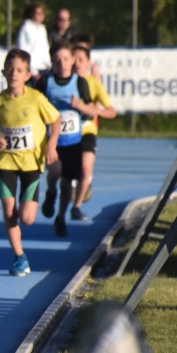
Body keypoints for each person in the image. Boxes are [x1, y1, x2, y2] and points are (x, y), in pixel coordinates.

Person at [0, 48, 60, 276]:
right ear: (3, 72)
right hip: (6, 162)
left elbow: (55, 120)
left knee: (26, 218)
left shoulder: (35, 98)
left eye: (19, 70)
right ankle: (19, 257)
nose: (14, 73)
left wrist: (52, 146)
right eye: (10, 69)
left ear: (27, 75)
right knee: (9, 211)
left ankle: (47, 195)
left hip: (31, 164)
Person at [35, 40, 115, 234]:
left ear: (72, 61)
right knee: (54, 173)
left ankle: (61, 217)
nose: (62, 63)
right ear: (53, 61)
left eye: (66, 59)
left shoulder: (80, 83)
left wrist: (79, 107)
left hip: (73, 141)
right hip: (53, 140)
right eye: (58, 59)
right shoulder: (46, 83)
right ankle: (51, 192)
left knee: (67, 181)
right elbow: (34, 106)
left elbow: (90, 110)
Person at [71, 37, 114, 208]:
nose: (77, 63)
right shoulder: (62, 80)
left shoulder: (93, 82)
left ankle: (78, 200)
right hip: (67, 132)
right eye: (74, 58)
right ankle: (71, 187)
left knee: (85, 167)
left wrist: (92, 110)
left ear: (88, 62)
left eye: (81, 59)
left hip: (88, 128)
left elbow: (109, 110)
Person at [15, 2, 51, 81]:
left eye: (42, 13)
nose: (40, 15)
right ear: (31, 14)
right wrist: (33, 71)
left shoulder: (42, 29)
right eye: (38, 13)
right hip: (33, 71)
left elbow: (45, 50)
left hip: (45, 69)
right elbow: (23, 51)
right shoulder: (26, 29)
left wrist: (49, 66)